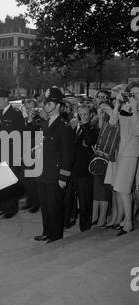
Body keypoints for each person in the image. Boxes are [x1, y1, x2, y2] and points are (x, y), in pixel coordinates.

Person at [34, 87, 74, 243]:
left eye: (50, 103)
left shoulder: (64, 125)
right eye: (46, 103)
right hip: (43, 171)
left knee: (55, 206)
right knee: (45, 205)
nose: (46, 106)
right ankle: (47, 231)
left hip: (56, 174)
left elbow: (68, 154)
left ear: (58, 105)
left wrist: (63, 176)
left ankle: (55, 235)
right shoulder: (46, 123)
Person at [103, 81, 139, 235]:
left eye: (138, 94)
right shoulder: (125, 106)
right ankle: (126, 220)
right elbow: (112, 122)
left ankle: (128, 223)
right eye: (133, 93)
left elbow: (137, 131)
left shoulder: (136, 109)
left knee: (123, 188)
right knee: (120, 188)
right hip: (120, 151)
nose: (135, 96)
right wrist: (117, 104)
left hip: (132, 151)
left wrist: (135, 109)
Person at [64, 103, 98, 231]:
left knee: (85, 200)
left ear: (90, 115)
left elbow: (88, 142)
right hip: (72, 169)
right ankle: (67, 221)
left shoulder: (92, 129)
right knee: (68, 198)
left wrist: (85, 126)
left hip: (84, 171)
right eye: (80, 114)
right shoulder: (73, 127)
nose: (82, 116)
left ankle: (85, 226)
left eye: (85, 114)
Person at [0, 89, 25, 218]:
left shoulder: (16, 113)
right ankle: (3, 207)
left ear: (6, 99)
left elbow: (21, 134)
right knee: (1, 181)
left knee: (10, 181)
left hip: (11, 153)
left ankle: (11, 209)